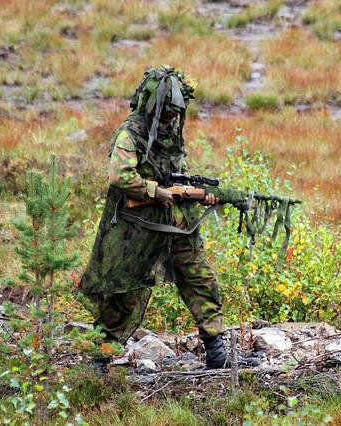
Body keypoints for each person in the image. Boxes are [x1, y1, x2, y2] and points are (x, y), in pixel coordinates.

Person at [80, 66, 240, 369]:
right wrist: (155, 191)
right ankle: (99, 358)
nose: (171, 117)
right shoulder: (132, 133)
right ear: (153, 105)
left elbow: (175, 175)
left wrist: (196, 193)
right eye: (166, 111)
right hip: (138, 228)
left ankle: (217, 351)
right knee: (123, 292)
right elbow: (120, 176)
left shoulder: (170, 136)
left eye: (175, 112)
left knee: (200, 280)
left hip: (177, 224)